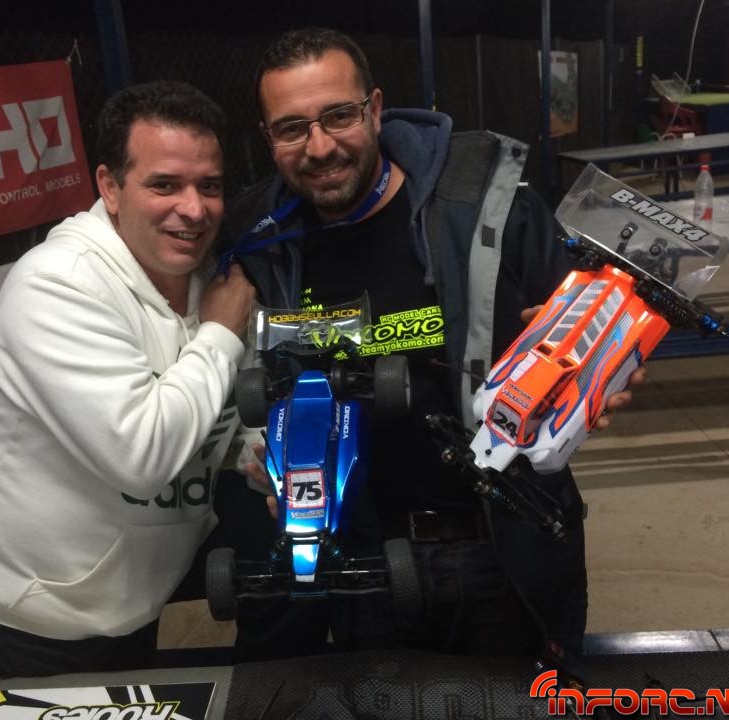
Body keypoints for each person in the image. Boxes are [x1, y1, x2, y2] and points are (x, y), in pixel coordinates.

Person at [220, 27, 641, 664]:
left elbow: (594, 329)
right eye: (292, 128)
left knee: (524, 702)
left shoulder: (485, 208)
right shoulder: (260, 240)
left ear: (376, 109)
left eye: (339, 116)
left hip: (502, 545)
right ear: (267, 136)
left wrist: (604, 372)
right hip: (362, 560)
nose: (320, 146)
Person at [0, 80, 255, 676]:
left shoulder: (205, 276)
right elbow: (141, 453)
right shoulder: (57, 284)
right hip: (34, 609)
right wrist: (220, 335)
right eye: (164, 185)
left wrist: (255, 454)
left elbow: (207, 414)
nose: (194, 209)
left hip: (129, 592)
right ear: (109, 186)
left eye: (209, 186)